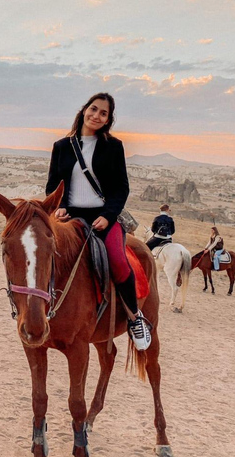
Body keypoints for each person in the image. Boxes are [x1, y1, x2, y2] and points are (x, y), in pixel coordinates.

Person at [45, 92, 151, 351]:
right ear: (84, 111)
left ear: (108, 120)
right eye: (94, 109)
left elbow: (121, 188)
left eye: (103, 113)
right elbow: (52, 186)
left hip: (103, 217)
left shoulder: (113, 147)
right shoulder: (62, 147)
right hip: (69, 216)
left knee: (117, 259)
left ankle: (135, 317)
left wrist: (108, 215)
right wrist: (58, 208)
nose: (96, 115)